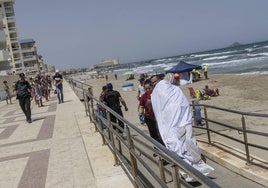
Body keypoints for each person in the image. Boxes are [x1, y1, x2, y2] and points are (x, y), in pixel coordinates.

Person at [150, 75, 214, 182]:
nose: (156, 84)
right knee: (184, 145)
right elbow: (163, 111)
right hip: (176, 125)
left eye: (156, 81)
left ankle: (192, 170)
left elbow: (178, 106)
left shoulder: (172, 91)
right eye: (153, 82)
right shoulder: (159, 93)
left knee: (185, 145)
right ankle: (191, 171)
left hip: (180, 123)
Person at [139, 79, 164, 145]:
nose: (147, 90)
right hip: (149, 118)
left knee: (161, 132)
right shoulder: (144, 96)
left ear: (152, 87)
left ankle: (164, 147)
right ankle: (157, 148)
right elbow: (141, 106)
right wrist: (141, 114)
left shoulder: (158, 94)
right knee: (153, 134)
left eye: (149, 88)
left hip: (159, 117)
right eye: (146, 89)